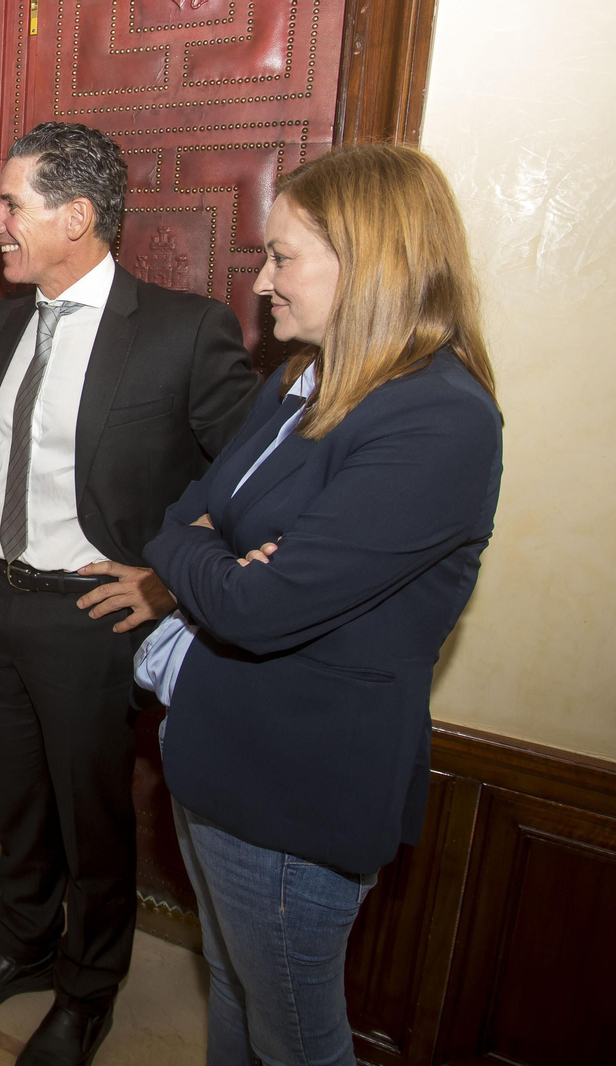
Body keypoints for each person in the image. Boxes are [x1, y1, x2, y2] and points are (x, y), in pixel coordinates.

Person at [137, 144, 503, 1066]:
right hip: (219, 759)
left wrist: (226, 563)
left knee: (295, 1038)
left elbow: (260, 609)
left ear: (369, 260)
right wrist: (219, 552)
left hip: (294, 797)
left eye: (283, 257)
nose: (262, 284)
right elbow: (177, 518)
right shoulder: (303, 378)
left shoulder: (439, 418)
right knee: (232, 991)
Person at [0, 122, 261, 1066]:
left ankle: (88, 988)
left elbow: (247, 482)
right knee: (21, 799)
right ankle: (24, 945)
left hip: (89, 618)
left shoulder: (181, 329)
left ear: (76, 217)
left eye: (11, 205)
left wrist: (165, 583)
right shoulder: (9, 317)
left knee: (92, 815)